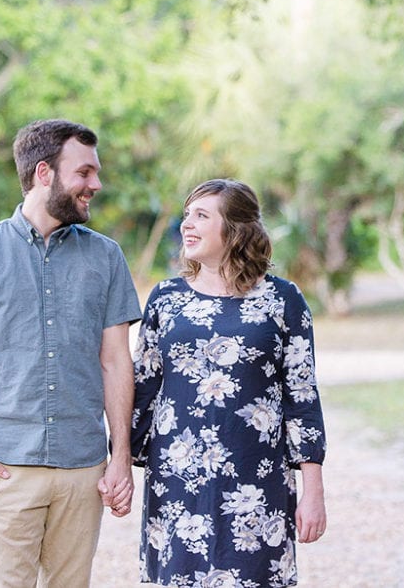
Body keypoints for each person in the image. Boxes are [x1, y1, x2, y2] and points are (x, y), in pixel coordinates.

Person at [0, 119, 141, 587]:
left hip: (82, 468)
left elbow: (116, 362)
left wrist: (120, 455)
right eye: (84, 173)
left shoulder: (107, 257)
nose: (96, 184)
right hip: (6, 467)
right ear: (44, 173)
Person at [131, 178, 327, 588]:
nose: (187, 225)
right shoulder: (164, 299)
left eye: (201, 216)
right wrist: (117, 465)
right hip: (176, 481)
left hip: (257, 482)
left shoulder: (283, 299)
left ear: (235, 229)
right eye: (186, 215)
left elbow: (302, 396)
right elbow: (142, 390)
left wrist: (313, 490)